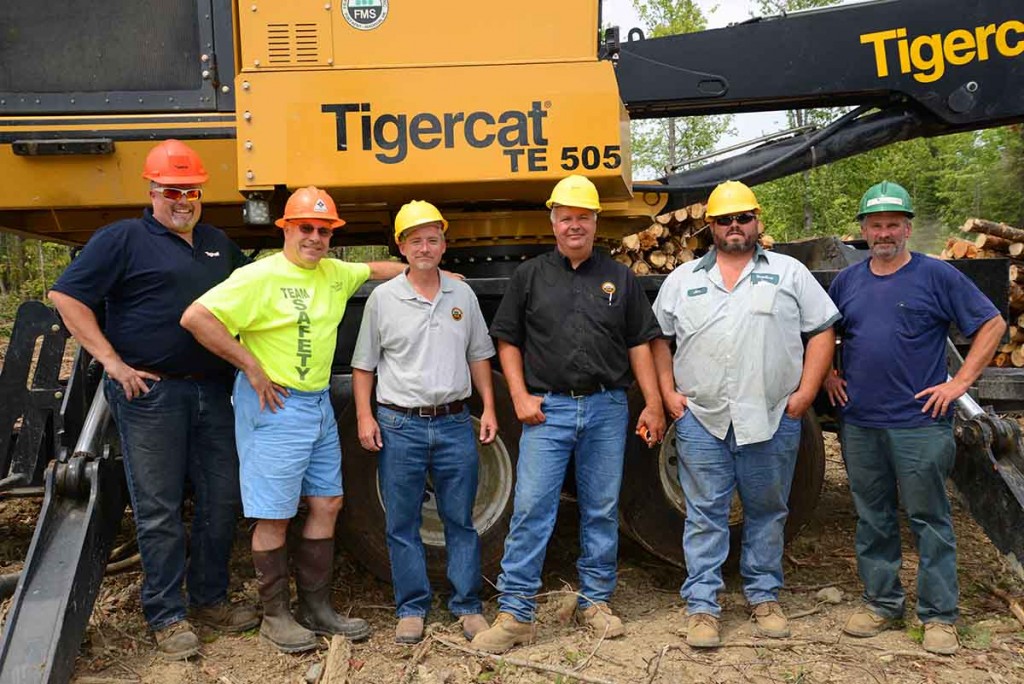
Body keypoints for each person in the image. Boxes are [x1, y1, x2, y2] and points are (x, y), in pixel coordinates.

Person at [47, 139, 256, 660]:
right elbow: (66, 297)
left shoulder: (216, 243)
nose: (182, 200)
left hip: (212, 391)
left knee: (222, 498)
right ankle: (166, 614)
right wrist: (112, 362)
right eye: (172, 191)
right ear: (152, 190)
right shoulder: (122, 238)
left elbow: (258, 291)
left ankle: (210, 599)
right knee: (158, 507)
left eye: (191, 190)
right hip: (151, 393)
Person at [180, 186, 407, 653]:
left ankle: (316, 608)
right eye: (306, 227)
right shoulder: (258, 276)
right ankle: (275, 616)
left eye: (324, 230)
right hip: (276, 407)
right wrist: (250, 365)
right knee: (275, 514)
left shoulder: (334, 273)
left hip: (319, 404)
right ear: (286, 228)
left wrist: (428, 272)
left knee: (327, 504)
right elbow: (196, 317)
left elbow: (379, 269)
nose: (316, 237)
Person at [471, 174, 666, 654]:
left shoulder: (619, 277)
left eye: (583, 217)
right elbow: (508, 340)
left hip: (606, 408)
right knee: (532, 509)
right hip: (548, 411)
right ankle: (516, 612)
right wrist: (518, 396)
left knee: (601, 508)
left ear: (596, 222)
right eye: (566, 217)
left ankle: (594, 602)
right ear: (553, 221)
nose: (573, 225)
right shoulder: (530, 275)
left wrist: (655, 402)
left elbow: (640, 342)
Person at [650, 180, 839, 649]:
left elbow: (822, 331)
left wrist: (806, 393)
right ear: (709, 227)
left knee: (768, 511)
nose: (734, 227)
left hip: (771, 417)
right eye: (724, 220)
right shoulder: (684, 279)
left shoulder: (790, 273)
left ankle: (764, 596)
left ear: (758, 222)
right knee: (704, 514)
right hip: (703, 419)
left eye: (743, 218)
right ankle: (702, 607)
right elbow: (659, 337)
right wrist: (669, 393)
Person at [824, 180, 1004, 655]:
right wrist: (827, 373)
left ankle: (940, 615)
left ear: (907, 227)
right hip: (861, 421)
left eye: (892, 224)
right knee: (873, 516)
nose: (883, 233)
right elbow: (826, 333)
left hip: (920, 421)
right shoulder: (848, 281)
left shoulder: (936, 276)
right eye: (875, 225)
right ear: (863, 229)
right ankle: (882, 603)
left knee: (929, 516)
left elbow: (993, 324)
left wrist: (960, 382)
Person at [350, 200, 498, 644]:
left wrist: (489, 407)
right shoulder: (383, 298)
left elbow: (479, 356)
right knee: (401, 523)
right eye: (416, 240)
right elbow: (364, 366)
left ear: (444, 244)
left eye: (433, 239)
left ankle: (468, 606)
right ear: (401, 246)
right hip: (400, 425)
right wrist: (364, 416)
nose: (426, 247)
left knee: (460, 519)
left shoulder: (462, 295)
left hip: (455, 424)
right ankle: (412, 608)